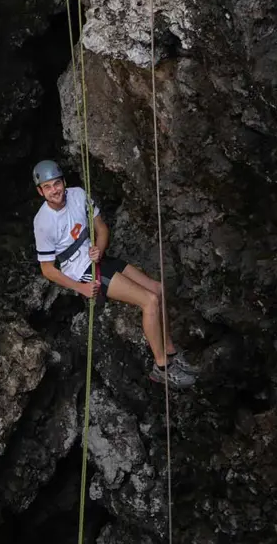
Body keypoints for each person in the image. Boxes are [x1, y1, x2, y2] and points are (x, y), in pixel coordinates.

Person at [32, 160, 196, 388]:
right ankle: (162, 369)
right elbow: (47, 269)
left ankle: (170, 353)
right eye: (48, 187)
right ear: (41, 192)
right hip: (81, 271)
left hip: (97, 260)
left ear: (64, 183)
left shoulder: (78, 194)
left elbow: (101, 228)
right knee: (149, 301)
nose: (54, 191)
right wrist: (80, 288)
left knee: (158, 289)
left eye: (57, 184)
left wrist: (100, 248)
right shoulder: (43, 223)